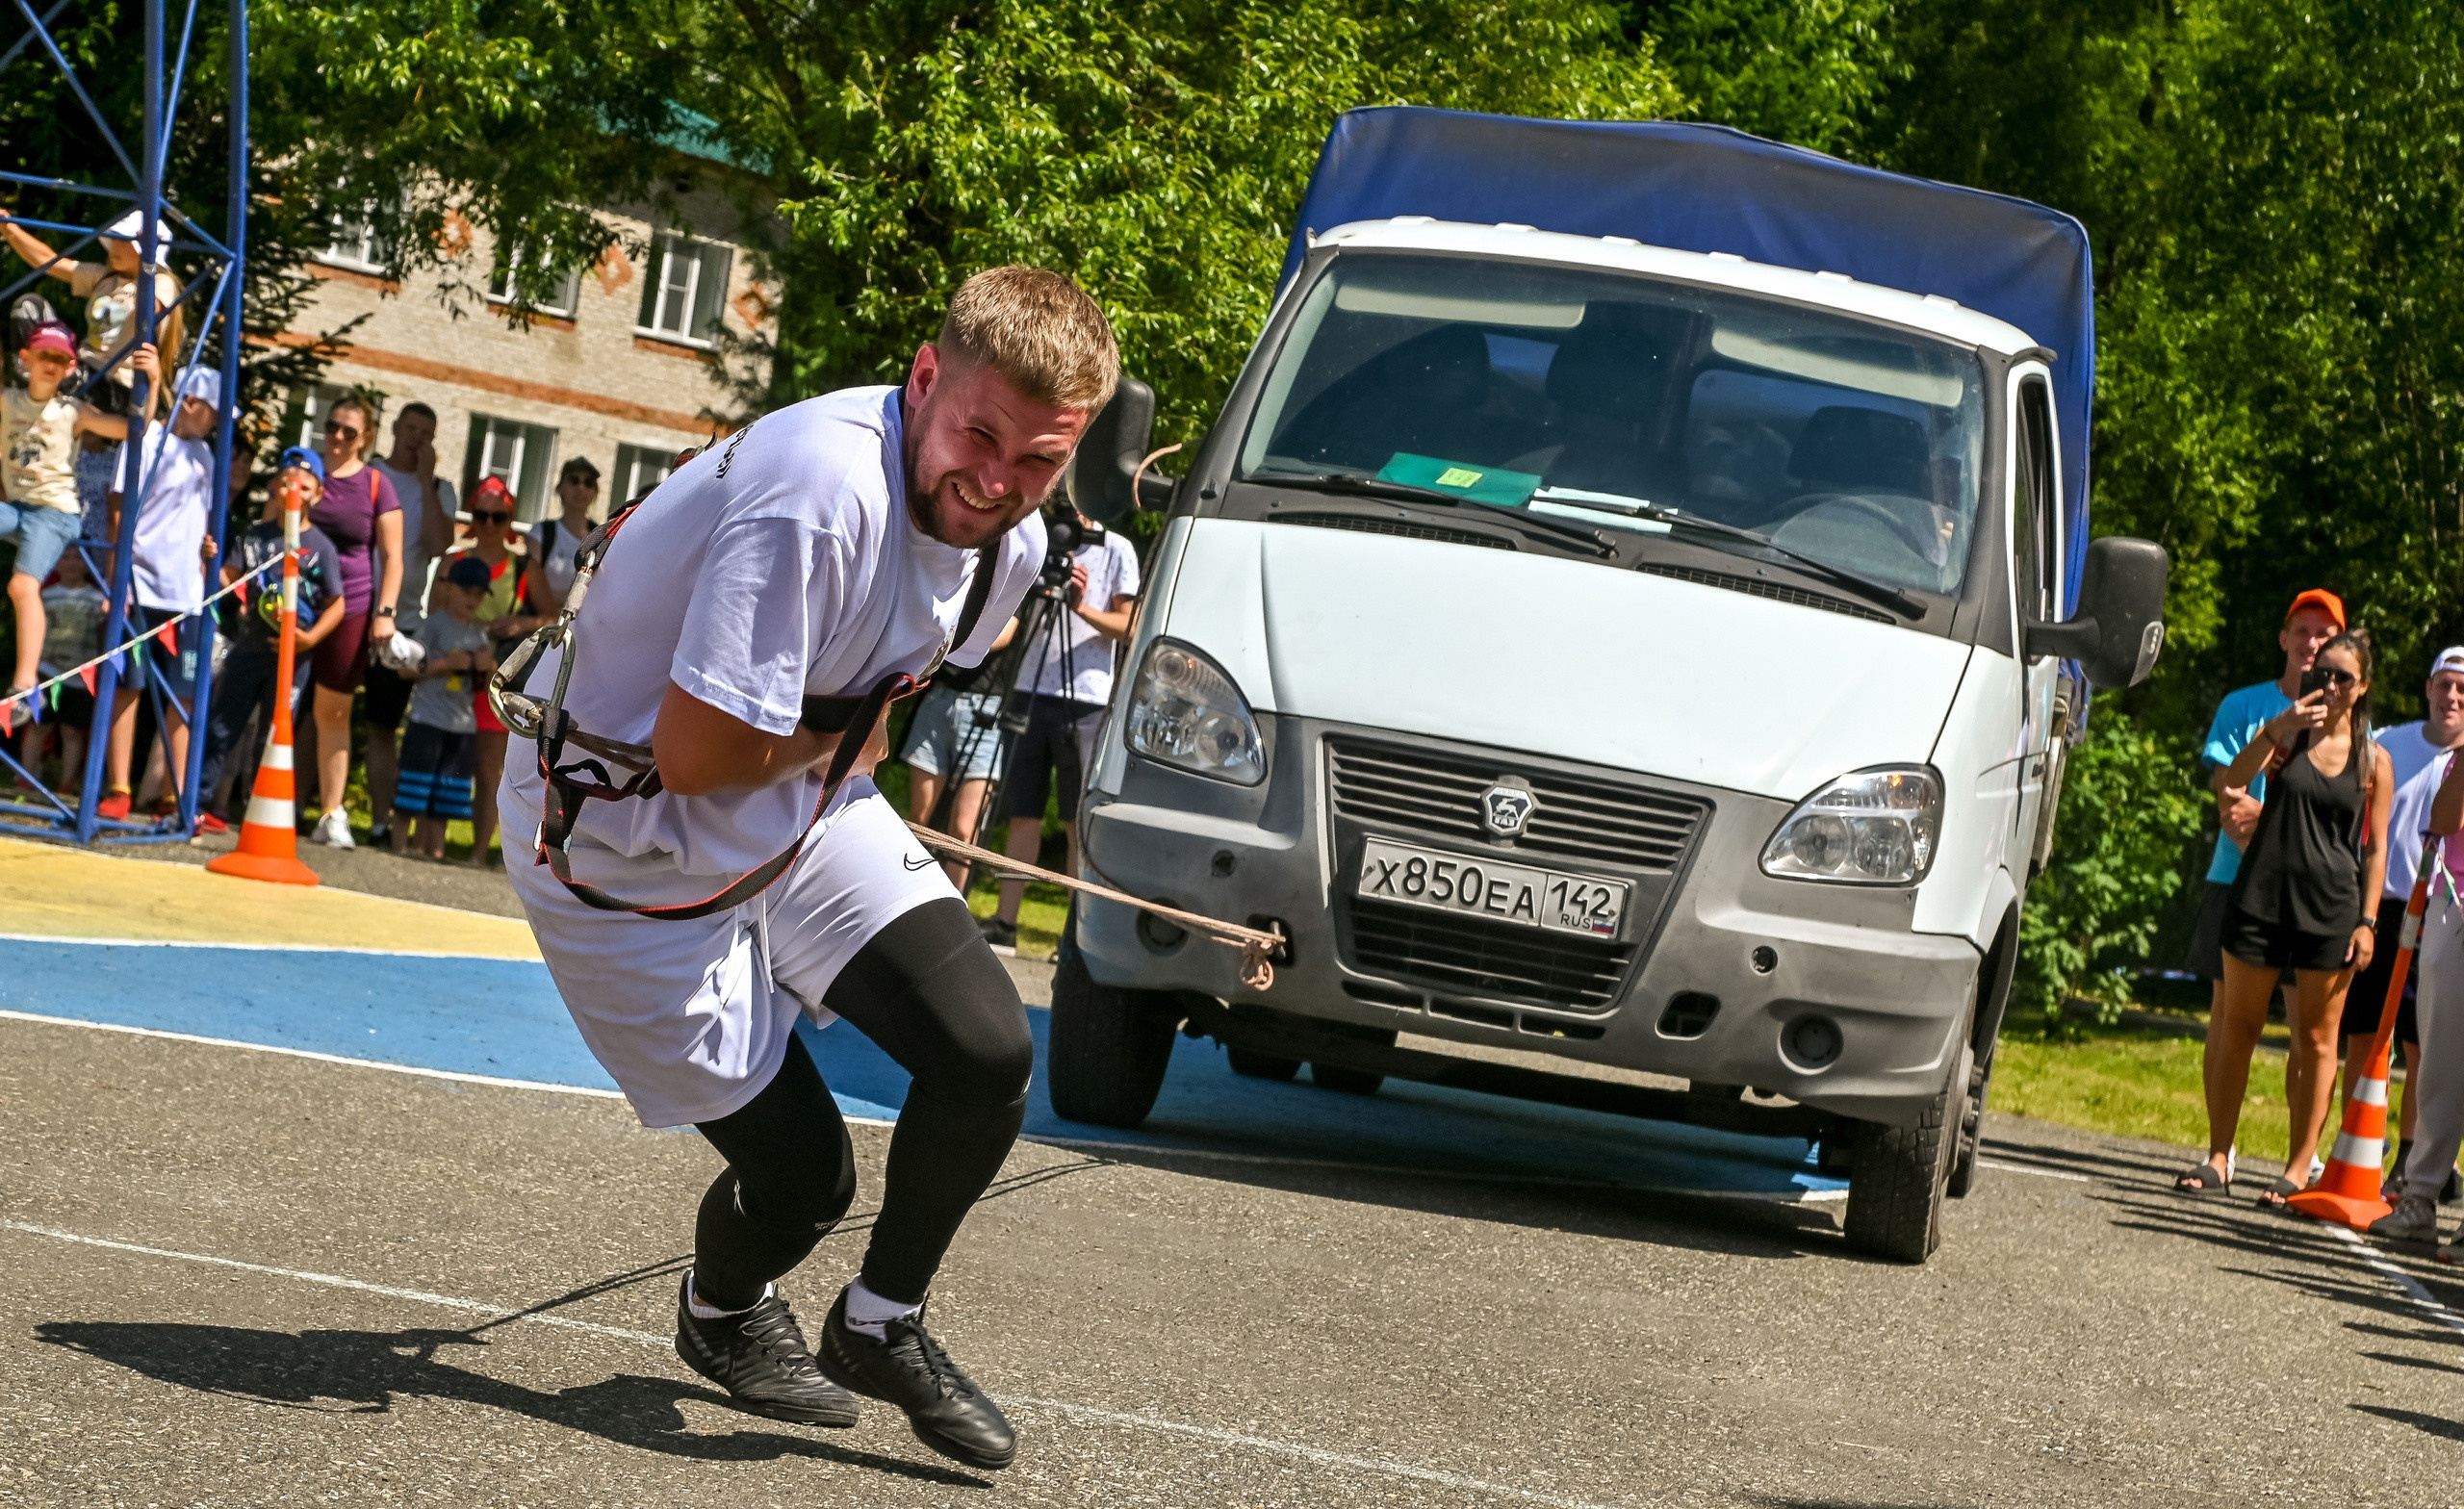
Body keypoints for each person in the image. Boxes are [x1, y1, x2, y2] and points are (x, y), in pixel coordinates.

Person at [498, 266, 1113, 1471]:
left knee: (987, 1051)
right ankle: (722, 1312)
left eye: (1037, 459)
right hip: (626, 839)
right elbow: (695, 753)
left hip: (796, 801)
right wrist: (852, 736)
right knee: (805, 1178)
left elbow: (870, 706)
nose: (995, 482)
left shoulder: (1012, 539)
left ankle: (881, 1322)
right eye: (978, 435)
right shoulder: (818, 492)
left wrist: (849, 743)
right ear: (923, 379)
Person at [2180, 628, 2393, 1208]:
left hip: (2330, 911)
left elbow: (2375, 849)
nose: (2328, 684)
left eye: (2342, 677)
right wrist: (2277, 730)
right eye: (2320, 672)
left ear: (2363, 686)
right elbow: (2230, 780)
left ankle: (2299, 1168)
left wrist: (2368, 921)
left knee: (2317, 1041)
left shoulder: (2375, 758)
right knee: (2237, 1028)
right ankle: (2219, 1157)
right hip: (2260, 898)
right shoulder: (2287, 738)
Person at [982, 500, 1140, 953]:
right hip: (1030, 688)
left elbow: (1130, 625)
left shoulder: (1116, 548)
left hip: (1085, 699)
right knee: (1022, 815)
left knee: (1076, 822)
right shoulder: (1036, 539)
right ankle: (1005, 926)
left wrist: (1081, 607)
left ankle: (1075, 936)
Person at [2350, 647, 2464, 1206]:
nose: (2452, 697)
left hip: (2442, 908)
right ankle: (2354, 1149)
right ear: (2428, 688)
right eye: (2445, 685)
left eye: (2462, 690)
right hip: (2389, 903)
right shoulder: (2390, 742)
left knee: (2425, 1045)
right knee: (2367, 1033)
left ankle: (2414, 1158)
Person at [197, 449, 346, 829]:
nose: (292, 490)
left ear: (319, 493)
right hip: (248, 649)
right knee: (222, 727)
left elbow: (337, 604)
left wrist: (309, 639)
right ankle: (200, 803)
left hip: (292, 657)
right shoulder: (254, 537)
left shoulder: (321, 547)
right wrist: (211, 563)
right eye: (284, 482)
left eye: (303, 484)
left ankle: (259, 814)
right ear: (272, 488)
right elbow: (228, 576)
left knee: (274, 736)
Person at [97, 366, 221, 820]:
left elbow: (200, 519)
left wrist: (207, 548)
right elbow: (117, 510)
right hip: (140, 585)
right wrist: (117, 580)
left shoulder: (207, 456)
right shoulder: (145, 441)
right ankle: (118, 786)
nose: (218, 422)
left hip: (186, 595)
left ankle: (172, 791)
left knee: (185, 692)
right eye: (214, 411)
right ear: (190, 403)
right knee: (127, 685)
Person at [4, 321, 150, 696]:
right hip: (15, 508)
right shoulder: (7, 402)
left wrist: (153, 378)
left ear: (70, 368)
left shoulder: (74, 412)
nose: (51, 364)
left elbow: (134, 429)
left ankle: (24, 683)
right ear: (26, 358)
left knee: (22, 585)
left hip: (54, 514)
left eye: (60, 358)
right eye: (44, 355)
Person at [2373, 746, 2464, 1246]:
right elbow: (2446, 820)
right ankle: (2421, 1198)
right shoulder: (2457, 761)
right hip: (2453, 905)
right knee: (2439, 1061)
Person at [303, 395, 403, 847]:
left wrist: (385, 613)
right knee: (278, 703)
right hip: (299, 602)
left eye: (349, 431)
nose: (338, 438)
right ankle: (251, 797)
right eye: (332, 427)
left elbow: (393, 557)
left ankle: (332, 811)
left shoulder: (377, 484)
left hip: (353, 606)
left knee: (334, 711)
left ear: (366, 438)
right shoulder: (307, 473)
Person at [365, 401, 459, 843]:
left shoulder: (439, 489)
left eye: (426, 432)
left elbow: (441, 546)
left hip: (401, 622)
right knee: (323, 712)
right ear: (396, 428)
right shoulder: (370, 474)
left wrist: (424, 480)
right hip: (352, 609)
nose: (415, 438)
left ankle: (381, 823)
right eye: (411, 428)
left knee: (383, 726)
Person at [0, 207, 185, 412]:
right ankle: (26, 379)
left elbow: (149, 311)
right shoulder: (106, 278)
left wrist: (149, 259)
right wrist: (10, 230)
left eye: (125, 241)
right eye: (115, 238)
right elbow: (50, 262)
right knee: (29, 306)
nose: (115, 246)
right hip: (82, 367)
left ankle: (31, 391)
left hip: (115, 383)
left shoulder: (161, 282)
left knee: (63, 370)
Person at [900, 613, 1018, 888]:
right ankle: (908, 897)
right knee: (920, 821)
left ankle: (953, 908)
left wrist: (943, 640)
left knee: (964, 831)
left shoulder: (1015, 582)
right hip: (938, 701)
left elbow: (1002, 635)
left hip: (986, 711)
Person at [390, 554, 494, 857]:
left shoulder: (479, 633)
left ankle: (434, 850)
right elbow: (406, 669)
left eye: (478, 594)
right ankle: (399, 845)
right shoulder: (433, 625)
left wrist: (488, 667)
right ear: (448, 589)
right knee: (413, 787)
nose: (471, 600)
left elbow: (487, 684)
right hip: (427, 719)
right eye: (466, 591)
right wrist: (446, 663)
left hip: (462, 725)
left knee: (448, 793)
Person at [457, 476, 528, 867]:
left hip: (495, 679)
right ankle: (428, 841)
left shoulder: (521, 566)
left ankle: (479, 852)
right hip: (451, 676)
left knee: (489, 769)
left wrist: (520, 623)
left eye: (497, 517)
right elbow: (436, 608)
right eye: (480, 515)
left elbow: (557, 615)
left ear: (509, 519)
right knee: (447, 758)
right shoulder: (457, 560)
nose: (487, 525)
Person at [17, 546, 106, 790]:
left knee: (72, 733)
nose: (71, 562)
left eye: (78, 558)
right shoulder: (45, 596)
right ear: (55, 563)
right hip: (46, 672)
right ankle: (26, 777)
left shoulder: (98, 599)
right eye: (65, 557)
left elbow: (103, 635)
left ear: (88, 564)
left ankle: (66, 783)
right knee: (37, 727)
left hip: (81, 676)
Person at [521, 455, 600, 619]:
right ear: (559, 488)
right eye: (574, 480)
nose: (581, 488)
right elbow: (534, 586)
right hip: (545, 628)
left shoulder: (601, 537)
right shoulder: (541, 532)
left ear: (595, 492)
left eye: (588, 482)